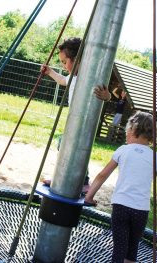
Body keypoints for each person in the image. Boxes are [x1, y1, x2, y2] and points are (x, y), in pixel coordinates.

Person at [85, 111, 157, 263]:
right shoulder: (155, 156)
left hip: (120, 207)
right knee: (131, 251)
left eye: (126, 131)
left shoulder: (123, 150)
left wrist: (89, 197)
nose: (126, 135)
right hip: (140, 211)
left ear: (132, 129)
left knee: (119, 250)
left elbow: (102, 175)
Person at [41, 38, 111, 193]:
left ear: (77, 59)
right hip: (74, 120)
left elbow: (106, 95)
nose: (63, 66)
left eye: (64, 61)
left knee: (73, 147)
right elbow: (62, 81)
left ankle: (84, 181)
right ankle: (63, 177)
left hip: (85, 121)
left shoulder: (90, 77)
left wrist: (107, 96)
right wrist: (50, 72)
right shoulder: (72, 77)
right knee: (63, 144)